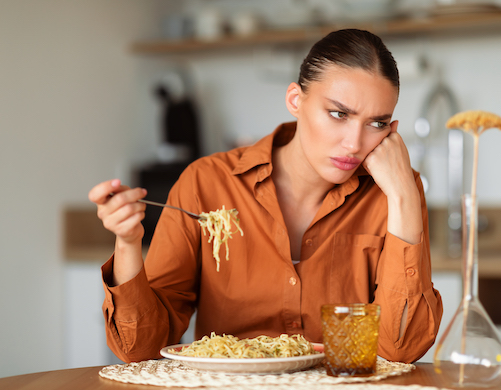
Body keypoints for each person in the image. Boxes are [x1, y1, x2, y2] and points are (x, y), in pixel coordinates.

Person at [89, 28, 443, 364]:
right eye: (338, 114)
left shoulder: (394, 193)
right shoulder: (206, 183)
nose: (354, 143)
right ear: (295, 100)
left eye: (377, 124)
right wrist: (128, 242)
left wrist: (403, 196)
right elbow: (140, 348)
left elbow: (400, 349)